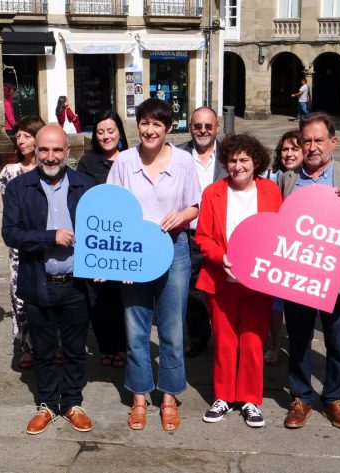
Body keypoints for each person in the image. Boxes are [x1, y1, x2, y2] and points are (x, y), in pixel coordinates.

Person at [107, 98, 201, 432]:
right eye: (145, 123)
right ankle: (139, 396)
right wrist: (121, 262)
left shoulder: (184, 161)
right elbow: (112, 209)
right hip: (133, 249)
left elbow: (194, 205)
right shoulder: (123, 161)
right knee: (135, 328)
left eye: (157, 124)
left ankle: (170, 396)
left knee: (173, 329)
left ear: (168, 128)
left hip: (173, 248)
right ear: (138, 125)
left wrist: (182, 215)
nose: (149, 130)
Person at [277, 112, 340, 431]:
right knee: (300, 339)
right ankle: (301, 396)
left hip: (339, 276)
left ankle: (334, 398)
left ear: (334, 142)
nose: (313, 146)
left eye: (319, 140)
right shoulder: (287, 178)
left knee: (336, 341)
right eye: (307, 140)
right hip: (299, 274)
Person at [1, 124, 96, 435]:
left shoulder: (85, 185)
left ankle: (71, 402)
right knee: (42, 349)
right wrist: (49, 237)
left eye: (57, 150)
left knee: (73, 347)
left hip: (76, 283)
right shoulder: (19, 187)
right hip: (38, 280)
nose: (51, 156)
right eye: (44, 150)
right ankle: (46, 404)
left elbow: (103, 231)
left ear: (68, 152)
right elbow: (10, 233)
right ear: (35, 151)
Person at [195, 133, 282, 428]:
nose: (238, 165)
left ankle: (249, 399)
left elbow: (278, 233)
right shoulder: (213, 192)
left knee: (253, 341)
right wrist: (222, 258)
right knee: (224, 341)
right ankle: (223, 397)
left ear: (256, 162)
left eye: (244, 159)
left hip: (258, 282)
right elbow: (203, 236)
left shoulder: (270, 191)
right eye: (232, 160)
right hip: (222, 280)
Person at [76, 111, 129, 368]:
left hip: (126, 238)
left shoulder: (131, 159)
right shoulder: (88, 163)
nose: (106, 136)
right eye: (100, 132)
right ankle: (106, 347)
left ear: (119, 132)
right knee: (98, 297)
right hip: (98, 238)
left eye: (110, 130)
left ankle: (122, 347)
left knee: (123, 295)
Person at [0, 117, 45, 370]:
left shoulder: (51, 168)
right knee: (20, 297)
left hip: (49, 244)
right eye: (18, 135)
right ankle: (27, 346)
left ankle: (51, 344)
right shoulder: (9, 173)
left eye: (27, 135)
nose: (21, 140)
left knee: (51, 294)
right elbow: (9, 216)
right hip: (19, 248)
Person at [176, 106, 226, 358]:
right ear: (190, 127)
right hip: (190, 235)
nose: (203, 130)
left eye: (208, 126)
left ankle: (224, 338)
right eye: (197, 125)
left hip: (222, 237)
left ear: (217, 127)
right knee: (193, 291)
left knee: (222, 290)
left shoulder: (229, 155)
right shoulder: (177, 155)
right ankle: (197, 338)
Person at [260, 129, 304, 366]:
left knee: (298, 306)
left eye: (294, 149)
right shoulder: (272, 176)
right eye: (284, 149)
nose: (288, 154)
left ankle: (298, 349)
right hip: (277, 247)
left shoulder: (309, 178)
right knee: (275, 303)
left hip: (301, 249)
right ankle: (275, 345)